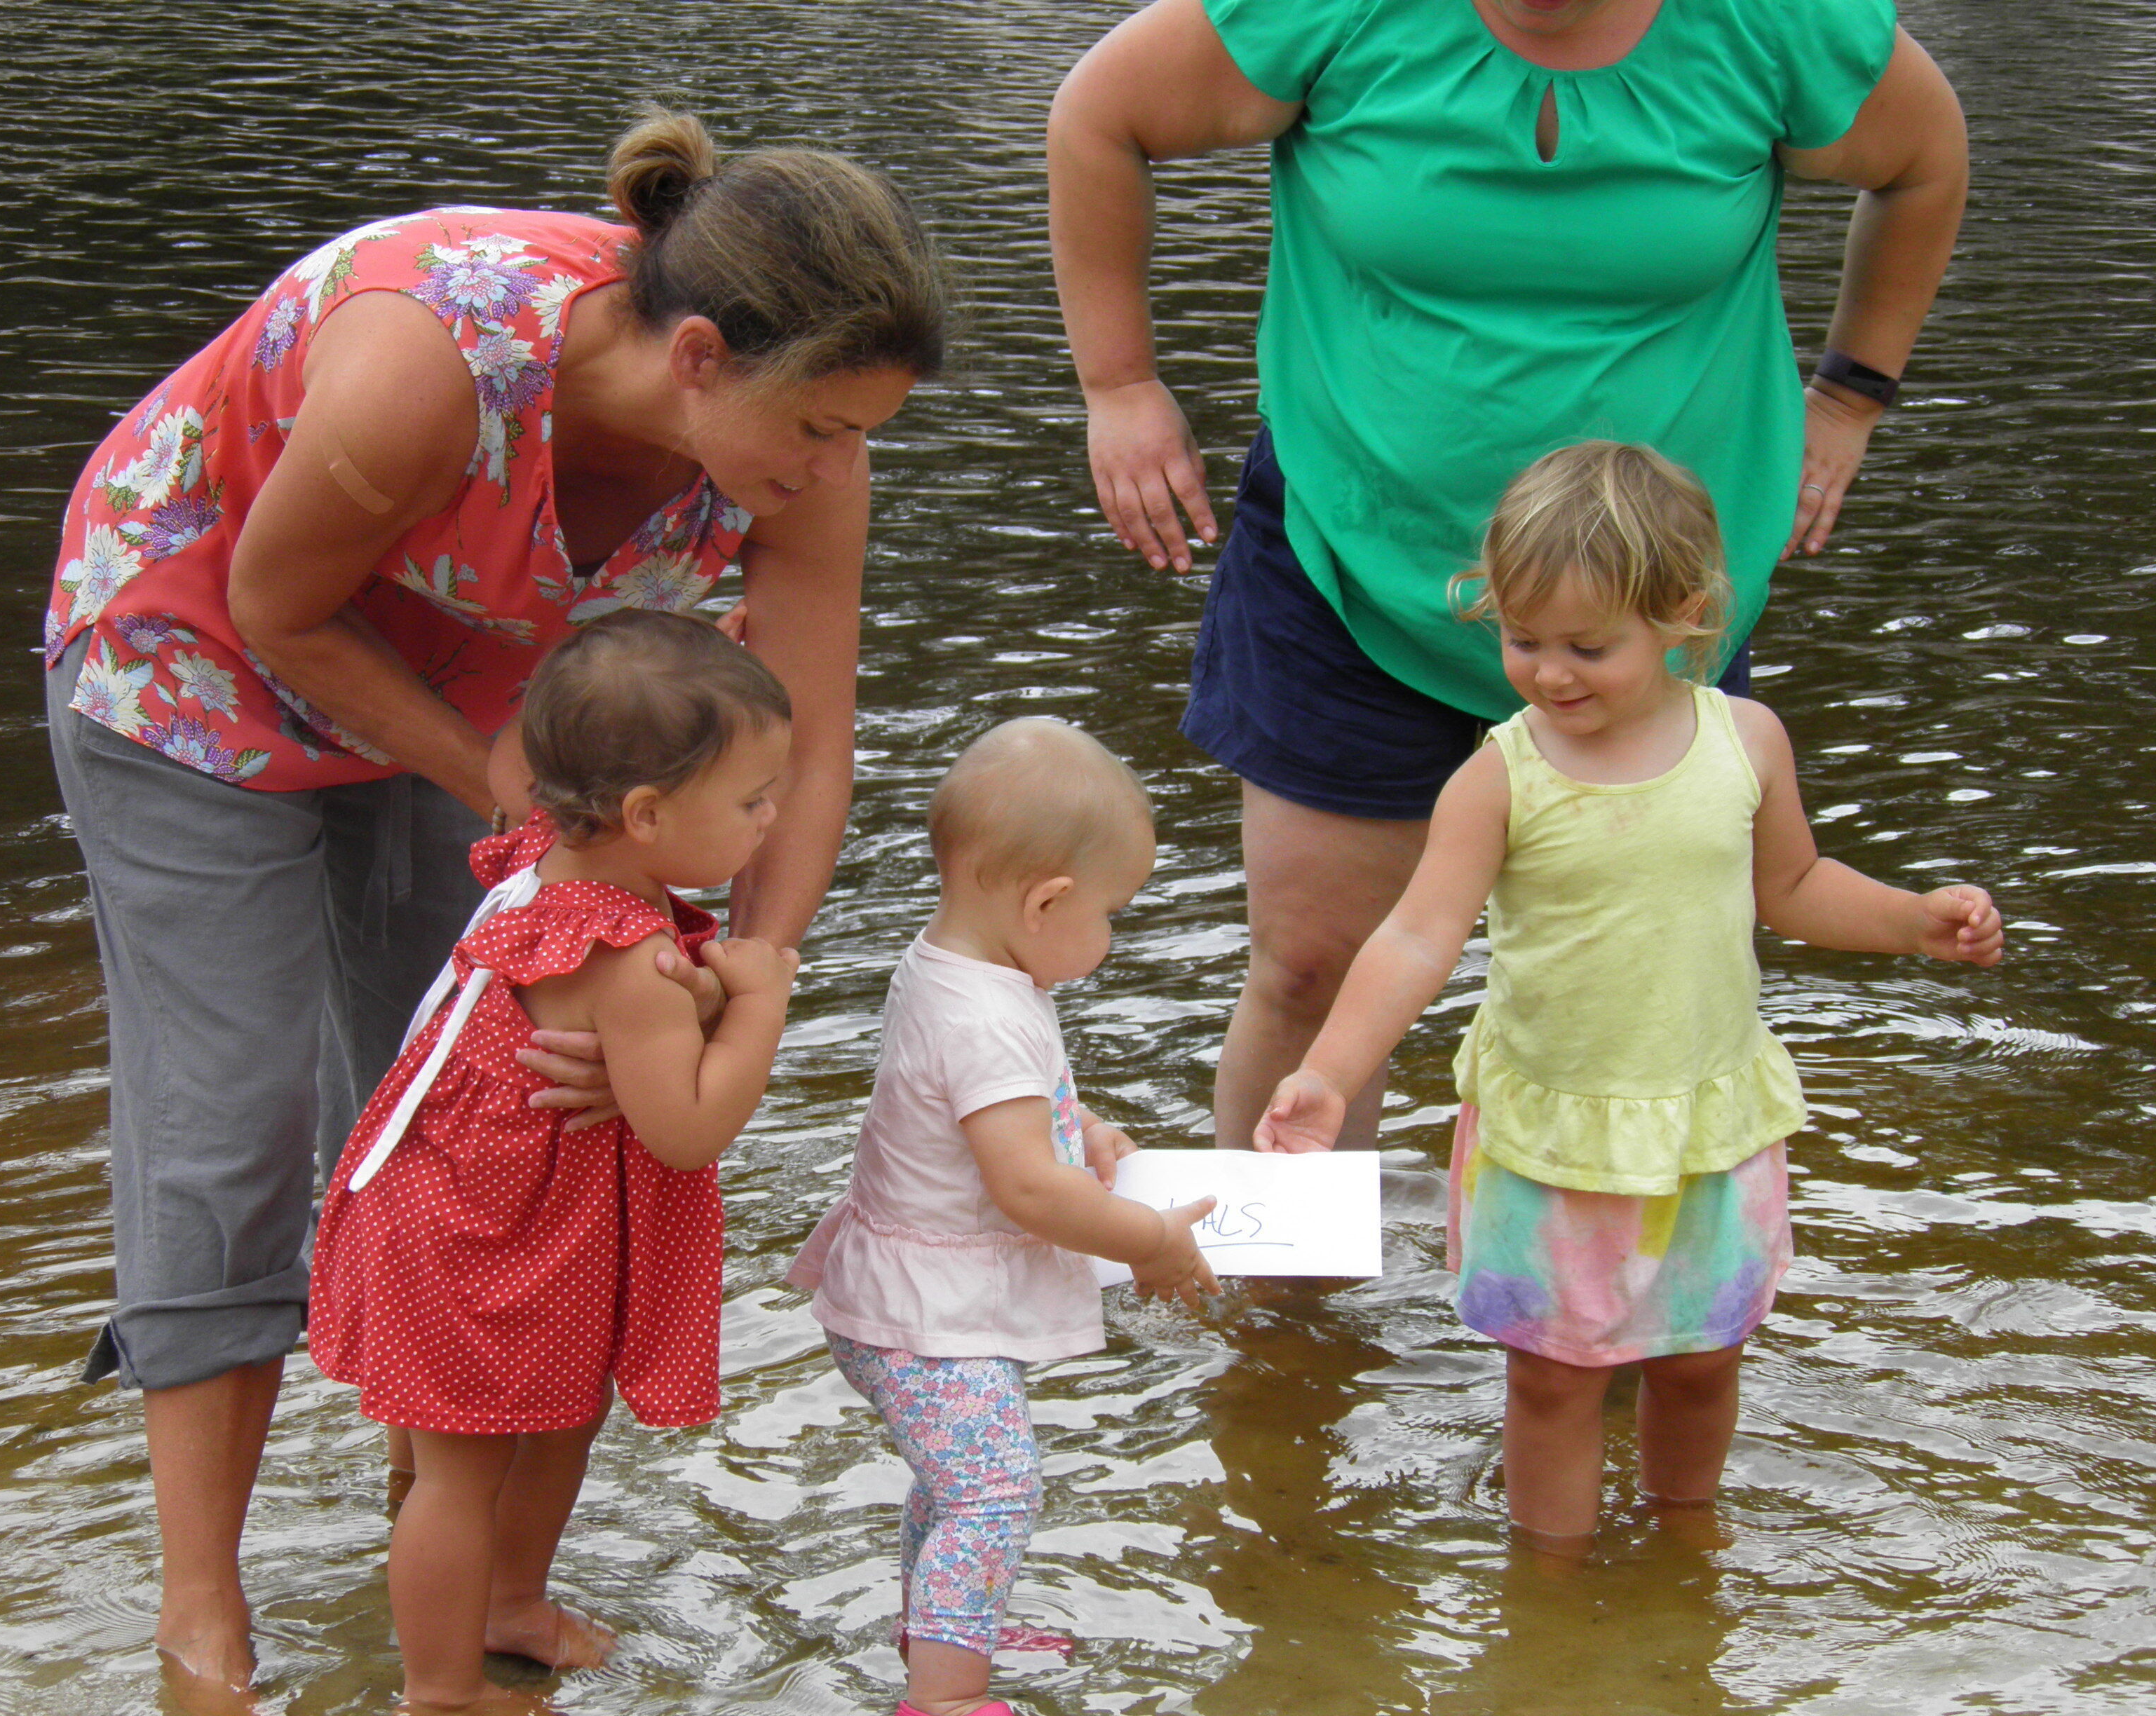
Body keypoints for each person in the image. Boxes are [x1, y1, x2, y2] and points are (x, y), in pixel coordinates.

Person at [40, 107, 948, 1691]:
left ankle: (451, 1565)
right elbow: (278, 603)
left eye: (861, 433)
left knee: (493, 1117)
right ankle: (203, 1610)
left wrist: (750, 966)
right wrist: (503, 792)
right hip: (195, 674)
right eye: (823, 429)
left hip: (477, 712)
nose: (836, 467)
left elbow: (802, 750)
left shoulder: (795, 455)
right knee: (231, 1115)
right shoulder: (428, 365)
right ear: (701, 361)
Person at [1049, 0, 1970, 1152]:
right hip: (1355, 569)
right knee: (1312, 974)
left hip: (1651, 611)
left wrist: (1849, 396)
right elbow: (1101, 112)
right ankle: (1288, 1327)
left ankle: (1616, 1300)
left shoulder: (1769, 22)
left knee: (1648, 988)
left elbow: (1925, 159)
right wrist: (1120, 383)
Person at [1253, 444, 2004, 1546]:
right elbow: (1415, 937)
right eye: (1524, 640)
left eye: (1587, 647)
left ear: (1683, 616)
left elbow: (1792, 887)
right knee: (1553, 1384)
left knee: (1702, 1362)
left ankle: (1682, 1543)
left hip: (1706, 1118)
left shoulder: (1744, 743)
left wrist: (1913, 921)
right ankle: (1551, 1593)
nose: (1550, 673)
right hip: (1552, 1128)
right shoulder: (1501, 776)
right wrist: (1327, 1074)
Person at [308, 611, 801, 1710]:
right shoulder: (623, 960)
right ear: (646, 813)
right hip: (473, 1238)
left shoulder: (553, 860)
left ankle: (511, 1605)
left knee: (565, 1415)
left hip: (505, 1216)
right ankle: (440, 1690)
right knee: (459, 1473)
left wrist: (712, 990)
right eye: (753, 800)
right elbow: (687, 1129)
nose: (773, 820)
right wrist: (759, 1004)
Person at [788, 719, 1219, 1716]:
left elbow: (998, 1110)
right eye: (1114, 915)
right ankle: (943, 1697)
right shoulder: (984, 1014)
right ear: (1047, 902)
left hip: (910, 1293)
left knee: (957, 1488)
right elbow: (1026, 1188)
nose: (1111, 941)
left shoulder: (962, 966)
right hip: (928, 1319)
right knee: (995, 1493)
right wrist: (1152, 1240)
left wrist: (1091, 1130)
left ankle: (952, 1627)